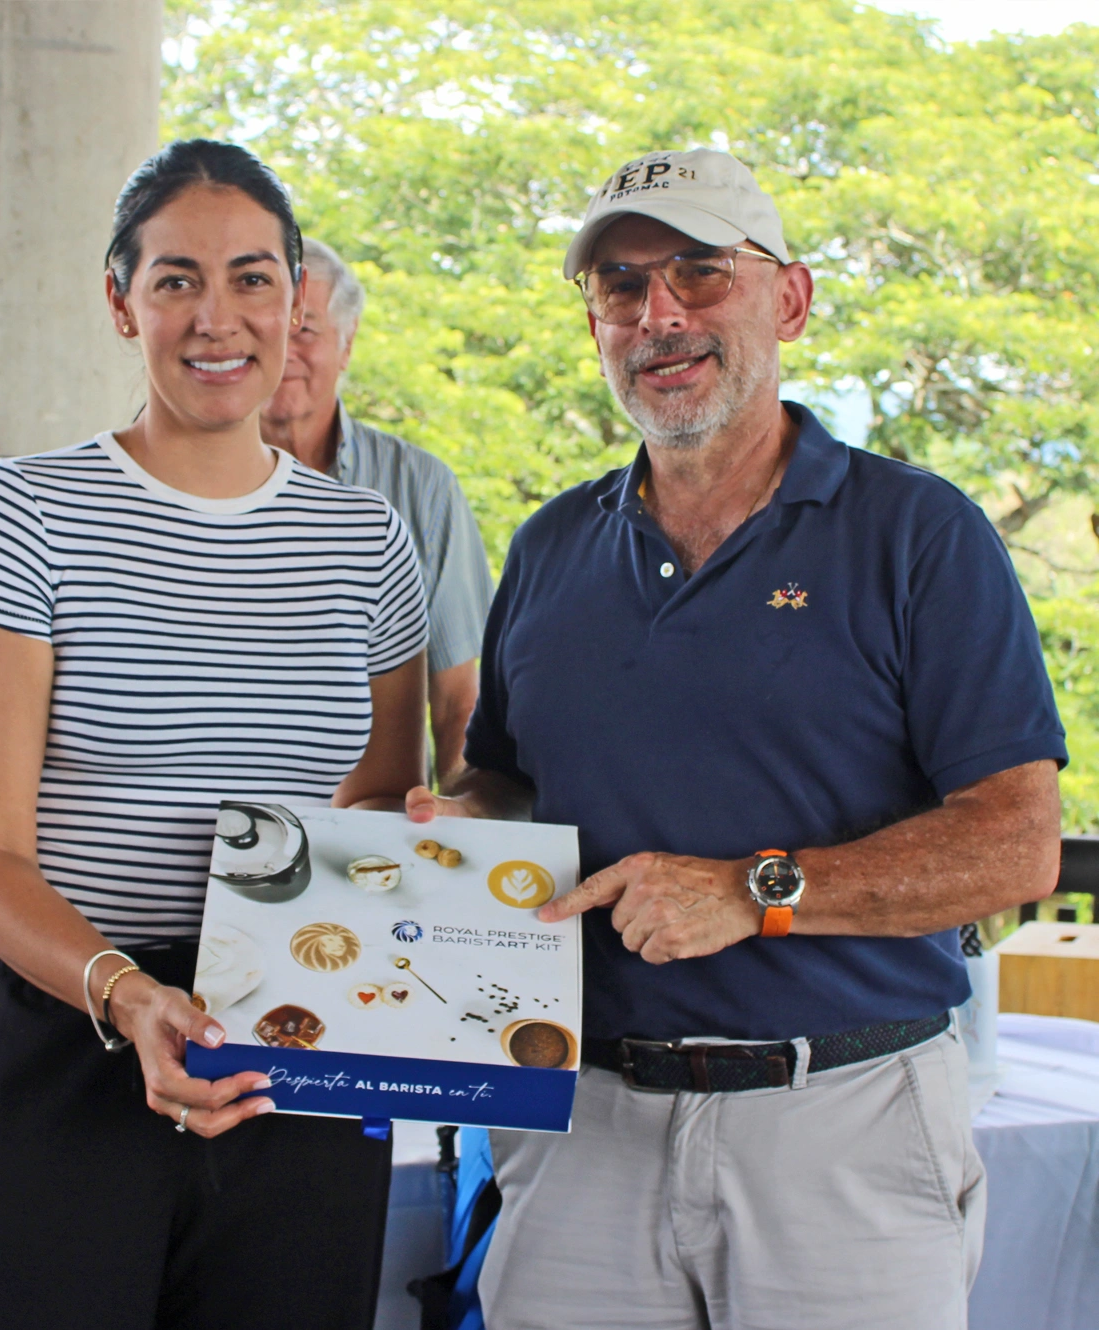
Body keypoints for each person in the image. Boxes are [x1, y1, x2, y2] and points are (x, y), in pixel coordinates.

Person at [406, 149, 1067, 1330]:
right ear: (596, 326)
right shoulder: (550, 547)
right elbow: (508, 779)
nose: (658, 314)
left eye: (700, 271)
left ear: (789, 300)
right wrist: (457, 825)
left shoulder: (918, 533)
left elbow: (1015, 845)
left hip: (843, 1119)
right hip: (581, 1124)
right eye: (620, 285)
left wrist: (749, 890)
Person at [0, 139, 428, 1330]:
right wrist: (131, 995)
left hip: (295, 1047)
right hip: (64, 1040)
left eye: (251, 279)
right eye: (175, 279)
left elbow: (380, 803)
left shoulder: (367, 541)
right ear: (119, 301)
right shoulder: (23, 512)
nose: (215, 317)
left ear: (296, 305)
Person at [261, 237, 493, 783]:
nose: (284, 350)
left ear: (346, 344)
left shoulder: (422, 487)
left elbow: (457, 701)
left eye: (305, 330)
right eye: (269, 328)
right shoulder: (193, 483)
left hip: (375, 816)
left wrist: (456, 815)